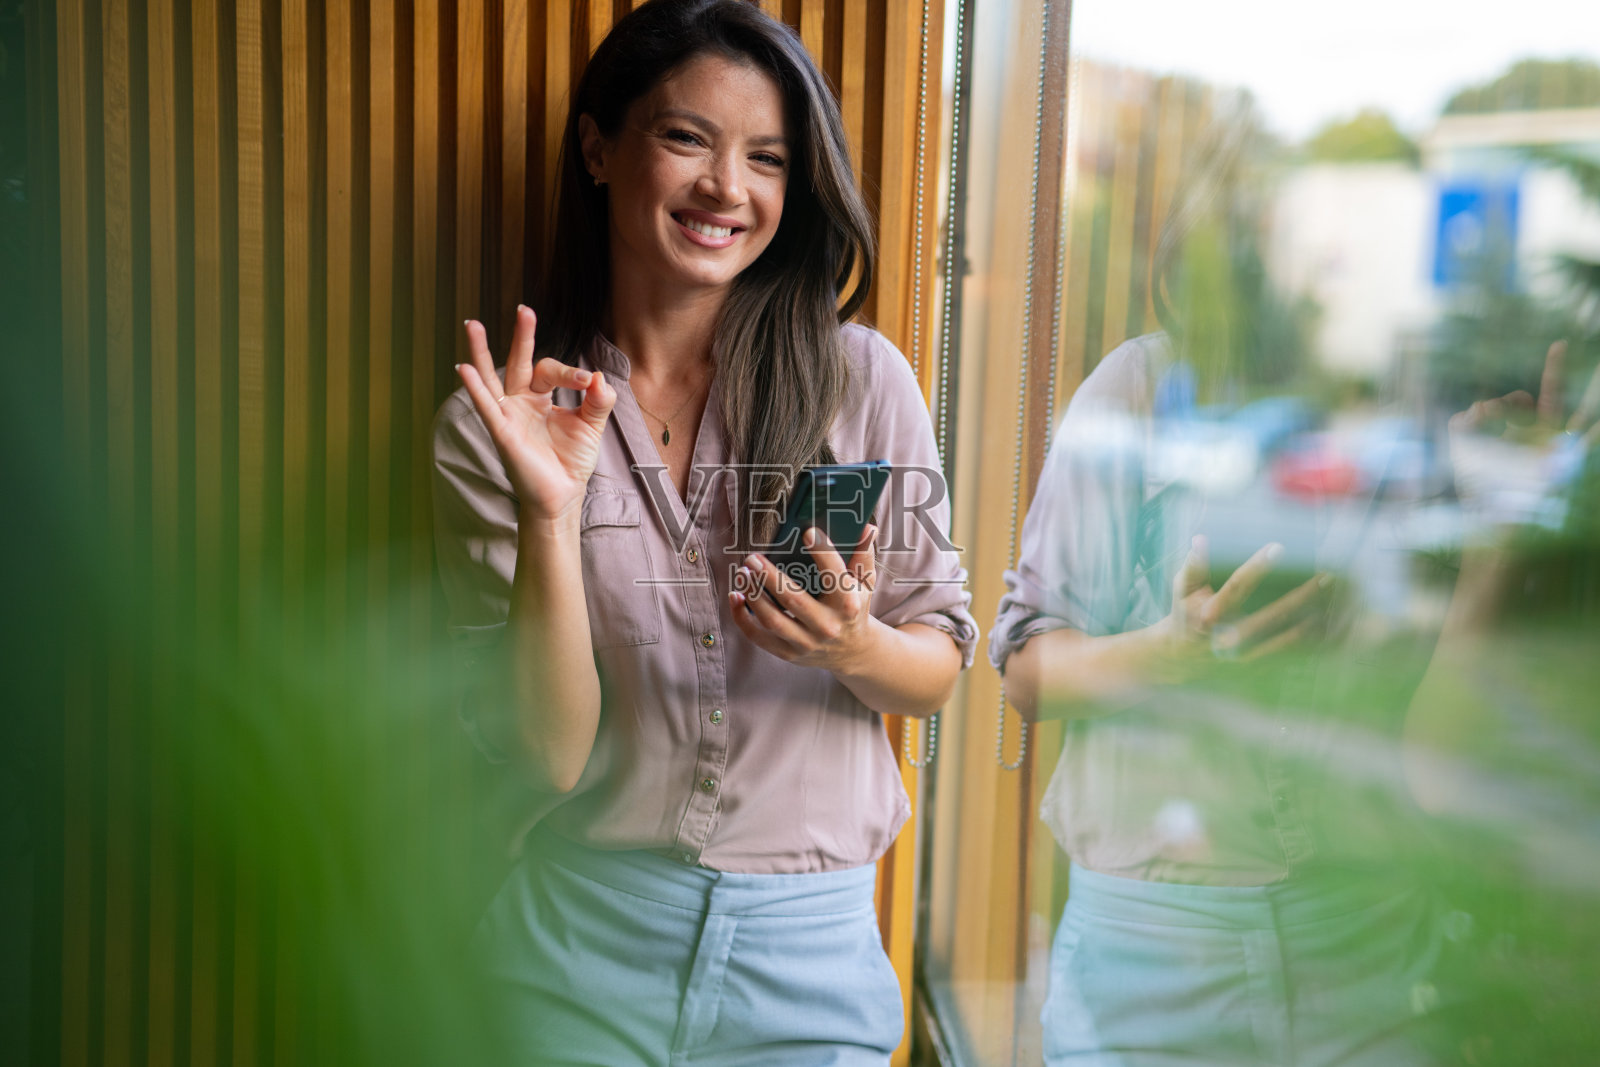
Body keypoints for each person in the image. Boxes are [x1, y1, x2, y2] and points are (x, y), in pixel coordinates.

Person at [430, 2, 975, 1063]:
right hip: (571, 952)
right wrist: (550, 514)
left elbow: (939, 665)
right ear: (598, 147)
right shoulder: (496, 422)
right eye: (687, 138)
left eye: (767, 157)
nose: (728, 186)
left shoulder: (860, 380)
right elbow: (547, 754)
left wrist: (853, 646)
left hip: (810, 962)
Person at [991, 115, 1462, 1065]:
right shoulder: (1135, 390)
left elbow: (1446, 715)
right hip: (1158, 941)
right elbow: (1028, 672)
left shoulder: (1395, 424)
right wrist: (1171, 653)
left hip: (1363, 924)